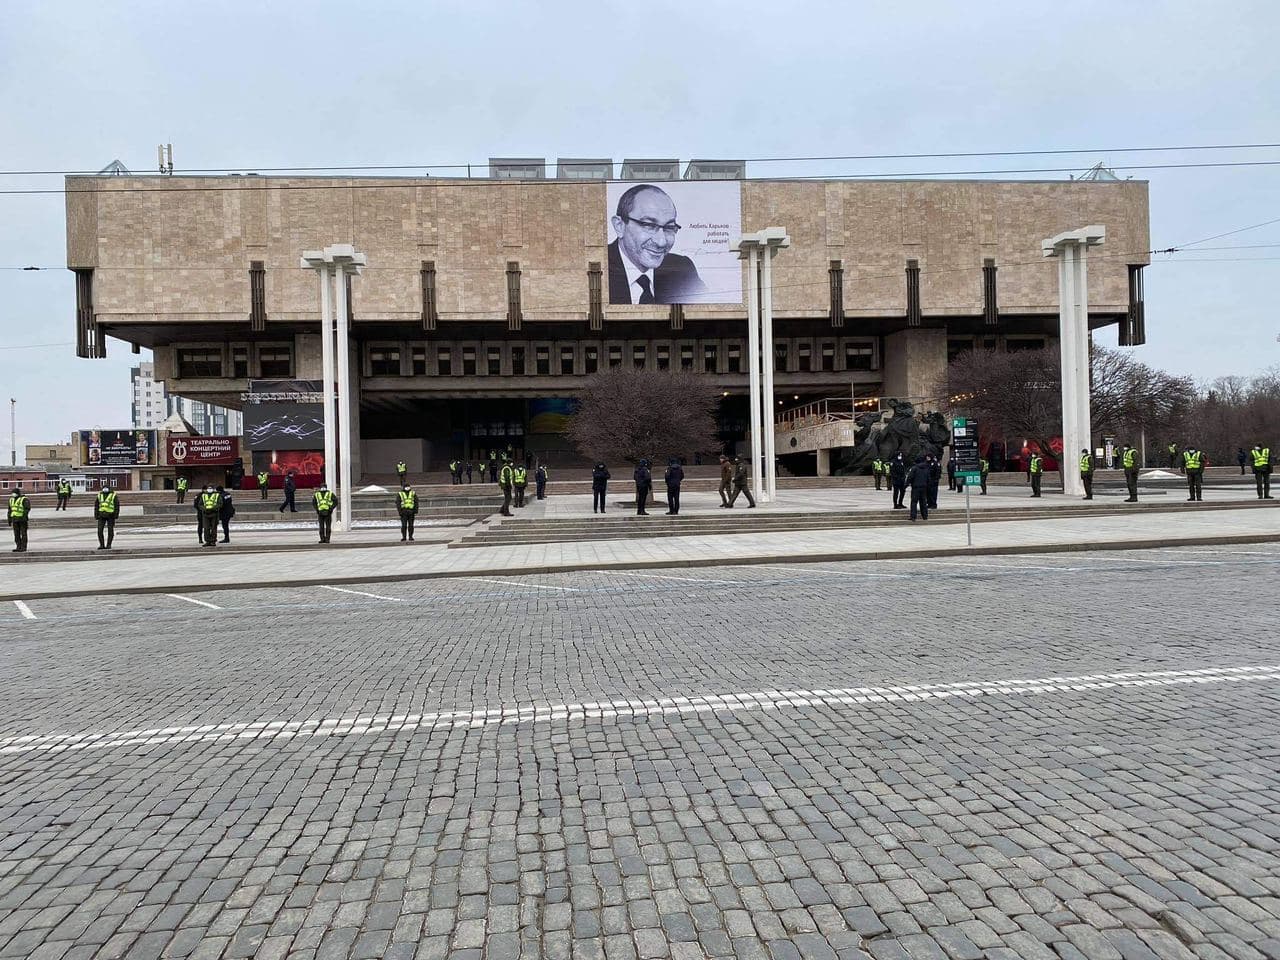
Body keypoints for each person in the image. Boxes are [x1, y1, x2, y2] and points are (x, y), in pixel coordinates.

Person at [607, 184, 708, 304]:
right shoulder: (594, 267)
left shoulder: (682, 269)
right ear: (619, 226)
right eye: (649, 225)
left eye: (669, 227)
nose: (661, 242)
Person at [906, 457, 931, 522]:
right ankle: (925, 516)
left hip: (916, 488)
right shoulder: (926, 468)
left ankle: (913, 517)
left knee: (914, 502)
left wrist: (905, 485)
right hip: (924, 488)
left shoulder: (914, 468)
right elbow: (928, 479)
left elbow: (910, 477)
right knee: (923, 502)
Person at [7, 487, 30, 552]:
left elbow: (27, 509)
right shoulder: (11, 500)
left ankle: (23, 547)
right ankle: (18, 546)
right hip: (14, 519)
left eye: (14, 493)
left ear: (18, 493)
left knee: (23, 534)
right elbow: (9, 510)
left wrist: (24, 517)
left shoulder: (24, 499)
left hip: (22, 520)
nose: (13, 494)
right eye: (12, 493)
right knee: (16, 534)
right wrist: (9, 519)